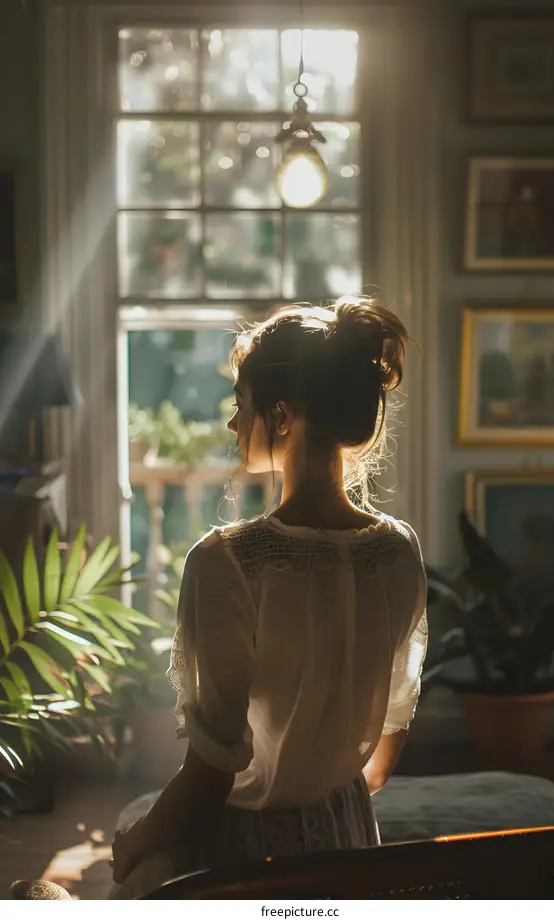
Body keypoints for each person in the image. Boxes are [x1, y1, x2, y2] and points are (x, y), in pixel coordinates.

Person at [110, 296, 428, 898]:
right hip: (349, 842)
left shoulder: (227, 562)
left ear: (281, 416)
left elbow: (210, 772)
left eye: (240, 404)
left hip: (243, 857)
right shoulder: (397, 550)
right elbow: (382, 758)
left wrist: (136, 841)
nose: (233, 425)